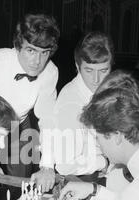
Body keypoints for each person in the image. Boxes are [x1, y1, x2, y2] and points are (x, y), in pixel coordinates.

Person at [0, 13, 60, 194]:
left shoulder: (50, 71)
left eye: (44, 53)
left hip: (18, 125)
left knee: (18, 188)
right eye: (31, 50)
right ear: (18, 45)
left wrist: (47, 166)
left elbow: (49, 120)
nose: (37, 62)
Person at [49, 31, 113, 177]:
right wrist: (104, 162)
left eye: (104, 70)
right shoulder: (71, 103)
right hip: (84, 180)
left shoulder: (108, 89)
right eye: (89, 70)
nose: (96, 79)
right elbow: (65, 166)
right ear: (77, 67)